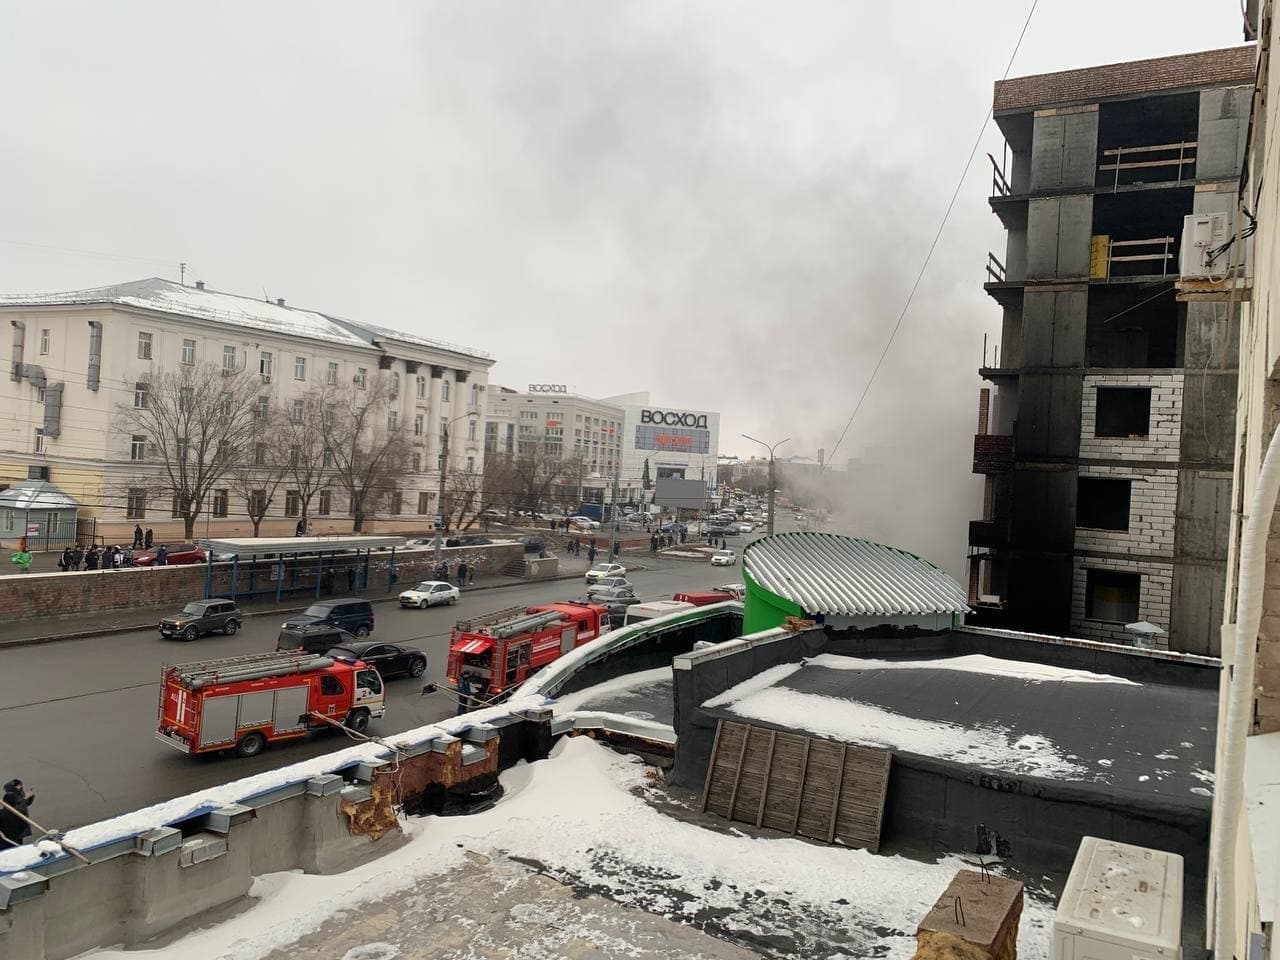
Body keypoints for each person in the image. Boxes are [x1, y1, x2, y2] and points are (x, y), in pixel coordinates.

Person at [0, 779, 34, 849]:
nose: (20, 786)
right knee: (14, 845)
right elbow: (19, 809)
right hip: (14, 831)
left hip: (17, 829)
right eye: (18, 785)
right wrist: (25, 798)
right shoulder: (12, 797)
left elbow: (25, 804)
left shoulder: (18, 795)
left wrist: (28, 797)